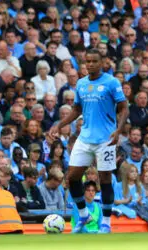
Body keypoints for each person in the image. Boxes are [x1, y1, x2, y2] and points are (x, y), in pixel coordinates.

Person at [50, 49, 129, 233]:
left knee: (105, 178)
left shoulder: (111, 82)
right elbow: (77, 110)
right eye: (88, 61)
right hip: (84, 138)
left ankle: (106, 223)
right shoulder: (81, 83)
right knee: (72, 177)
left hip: (106, 139)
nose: (91, 64)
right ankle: (84, 215)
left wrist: (118, 130)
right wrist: (59, 125)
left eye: (94, 61)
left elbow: (124, 108)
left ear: (102, 63)